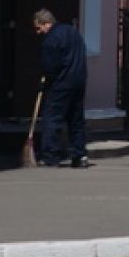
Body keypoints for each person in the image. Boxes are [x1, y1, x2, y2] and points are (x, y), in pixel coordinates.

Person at [32, 9, 89, 169]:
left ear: (46, 23)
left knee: (52, 118)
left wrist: (45, 81)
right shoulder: (74, 33)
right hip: (79, 81)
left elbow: (50, 65)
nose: (38, 32)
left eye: (38, 28)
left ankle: (50, 156)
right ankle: (80, 155)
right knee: (76, 119)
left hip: (61, 83)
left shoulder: (51, 39)